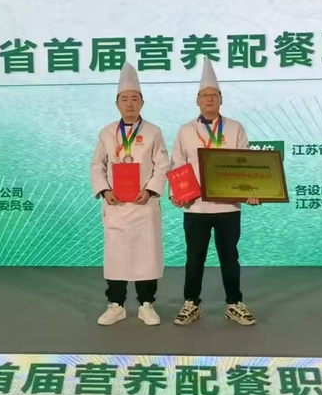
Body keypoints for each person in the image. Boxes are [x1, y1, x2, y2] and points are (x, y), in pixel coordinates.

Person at [170, 59, 258, 326]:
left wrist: (252, 191)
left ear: (221, 100)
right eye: (204, 95)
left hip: (228, 206)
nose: (209, 99)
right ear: (197, 101)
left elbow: (246, 164)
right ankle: (191, 303)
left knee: (230, 256)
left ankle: (234, 303)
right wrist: (176, 193)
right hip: (195, 207)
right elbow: (178, 164)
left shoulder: (235, 127)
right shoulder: (186, 130)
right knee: (194, 257)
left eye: (213, 95)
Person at [91, 63, 170, 326]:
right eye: (124, 99)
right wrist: (104, 190)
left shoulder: (153, 132)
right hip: (116, 206)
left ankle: (147, 304)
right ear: (117, 103)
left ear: (142, 102)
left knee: (146, 255)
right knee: (116, 256)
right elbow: (97, 165)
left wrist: (150, 190)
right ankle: (116, 305)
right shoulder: (106, 133)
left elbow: (163, 164)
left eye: (134, 99)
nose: (129, 104)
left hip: (143, 204)